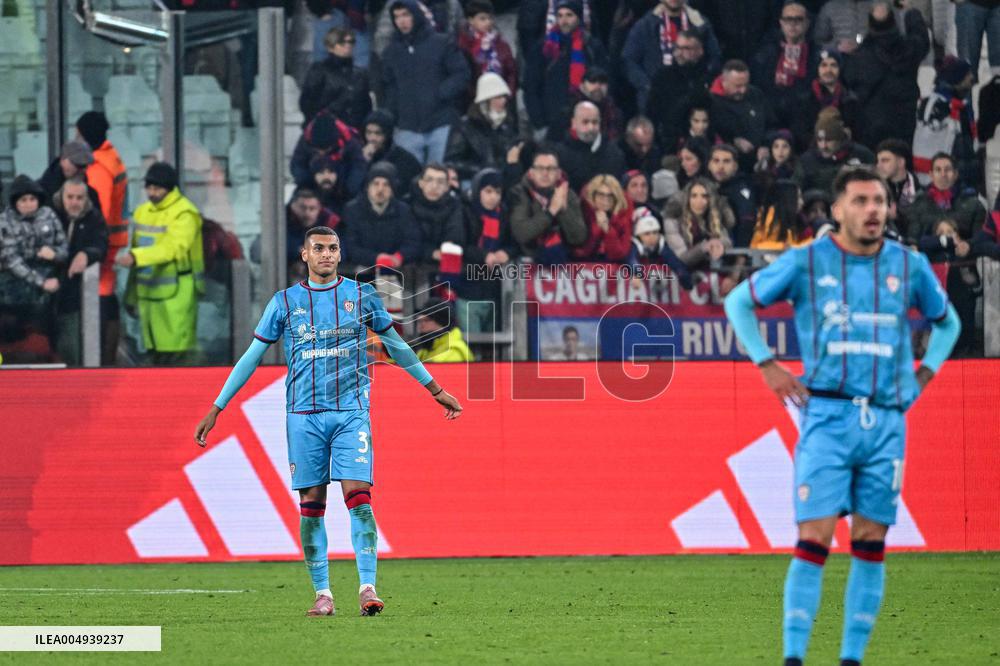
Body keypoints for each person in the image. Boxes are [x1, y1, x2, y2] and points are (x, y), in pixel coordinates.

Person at [723, 166, 961, 666]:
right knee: (815, 537)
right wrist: (767, 365)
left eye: (879, 200)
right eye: (861, 201)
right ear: (838, 210)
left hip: (886, 423)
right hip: (827, 418)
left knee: (871, 541)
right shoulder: (806, 262)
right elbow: (739, 302)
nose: (873, 210)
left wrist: (925, 377)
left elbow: (948, 322)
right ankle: (794, 658)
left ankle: (851, 659)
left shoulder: (909, 265)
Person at [194, 225, 463, 618]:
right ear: (304, 255)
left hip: (351, 412)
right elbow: (251, 357)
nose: (326, 254)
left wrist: (434, 387)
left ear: (340, 253)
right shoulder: (284, 303)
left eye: (333, 248)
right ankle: (323, 594)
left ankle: (368, 588)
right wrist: (217, 407)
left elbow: (396, 346)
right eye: (318, 248)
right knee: (312, 504)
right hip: (303, 417)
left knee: (359, 499)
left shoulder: (362, 296)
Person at [116, 162, 205, 366]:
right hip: (148, 296)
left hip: (176, 297)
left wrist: (137, 257)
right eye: (149, 187)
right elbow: (135, 259)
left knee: (178, 356)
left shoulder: (185, 213)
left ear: (170, 188)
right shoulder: (141, 212)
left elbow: (174, 248)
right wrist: (131, 296)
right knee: (154, 355)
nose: (153, 193)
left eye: (158, 188)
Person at [381, 0, 471, 165]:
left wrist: (440, 93)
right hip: (406, 127)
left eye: (406, 15)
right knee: (409, 179)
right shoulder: (391, 52)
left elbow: (462, 74)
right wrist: (393, 111)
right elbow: (388, 85)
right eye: (397, 16)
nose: (401, 21)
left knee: (439, 178)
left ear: (416, 15)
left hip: (441, 123)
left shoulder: (442, 43)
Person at [76, 111, 128, 366]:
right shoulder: (111, 156)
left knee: (102, 297)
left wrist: (95, 239)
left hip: (104, 243)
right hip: (113, 240)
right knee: (106, 296)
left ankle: (102, 360)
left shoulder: (98, 166)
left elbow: (101, 208)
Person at [842, 2, 929, 149]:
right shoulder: (908, 49)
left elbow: (848, 84)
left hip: (869, 127)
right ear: (894, 22)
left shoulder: (859, 57)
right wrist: (910, 11)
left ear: (870, 24)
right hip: (905, 123)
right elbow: (921, 39)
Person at [523, 0, 608, 137]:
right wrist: (539, 122)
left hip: (586, 123)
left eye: (569, 15)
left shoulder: (592, 47)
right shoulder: (544, 48)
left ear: (578, 17)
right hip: (551, 123)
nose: (564, 20)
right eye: (560, 15)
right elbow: (531, 87)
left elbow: (603, 83)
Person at [622, 0, 722, 111]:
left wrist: (702, 83)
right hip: (657, 99)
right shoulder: (646, 25)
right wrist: (648, 86)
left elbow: (715, 57)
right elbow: (629, 60)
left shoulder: (700, 24)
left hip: (692, 98)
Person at [52, 177, 108, 365]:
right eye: (70, 197)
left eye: (79, 198)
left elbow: (101, 244)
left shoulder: (93, 217)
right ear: (62, 197)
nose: (75, 202)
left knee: (70, 348)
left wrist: (87, 254)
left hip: (73, 295)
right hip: (43, 293)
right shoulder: (49, 214)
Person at [0, 175, 67, 318]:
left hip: (49, 276)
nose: (28, 204)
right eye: (23, 200)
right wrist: (41, 282)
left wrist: (55, 254)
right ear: (15, 202)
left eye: (32, 199)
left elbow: (63, 246)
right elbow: (12, 260)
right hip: (16, 283)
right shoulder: (5, 222)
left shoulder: (48, 214)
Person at [508, 145, 587, 263]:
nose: (545, 173)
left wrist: (564, 210)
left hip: (564, 264)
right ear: (531, 172)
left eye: (550, 169)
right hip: (527, 263)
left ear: (558, 173)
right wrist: (551, 211)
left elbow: (579, 238)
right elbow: (522, 234)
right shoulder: (519, 192)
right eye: (540, 168)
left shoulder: (568, 194)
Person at [340, 161, 422, 269]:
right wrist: (376, 258)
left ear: (393, 190)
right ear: (368, 187)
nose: (380, 189)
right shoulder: (352, 210)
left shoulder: (404, 210)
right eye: (376, 183)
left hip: (396, 268)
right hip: (360, 268)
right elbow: (350, 246)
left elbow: (413, 242)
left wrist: (400, 256)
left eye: (386, 184)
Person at [750, 2, 818, 132]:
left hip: (806, 123)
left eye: (798, 19)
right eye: (788, 19)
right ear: (781, 22)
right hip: (772, 122)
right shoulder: (765, 55)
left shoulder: (816, 55)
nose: (793, 24)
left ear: (807, 23)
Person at [444, 72, 520, 182]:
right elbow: (451, 162)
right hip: (473, 180)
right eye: (498, 97)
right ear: (486, 100)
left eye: (504, 97)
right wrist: (484, 170)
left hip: (504, 181)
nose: (503, 101)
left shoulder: (507, 125)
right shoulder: (465, 126)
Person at [645, 30, 713, 151]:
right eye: (677, 48)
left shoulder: (708, 77)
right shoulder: (662, 77)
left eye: (686, 48)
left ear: (700, 51)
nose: (679, 53)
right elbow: (652, 113)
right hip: (670, 144)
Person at [709, 59, 775, 172]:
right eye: (738, 86)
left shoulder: (755, 94)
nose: (743, 90)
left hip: (758, 165)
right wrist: (734, 141)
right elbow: (711, 132)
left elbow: (771, 124)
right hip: (728, 167)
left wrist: (766, 145)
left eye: (746, 85)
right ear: (724, 81)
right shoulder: (711, 101)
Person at [299, 27, 372, 129]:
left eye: (351, 42)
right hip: (327, 131)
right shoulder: (319, 70)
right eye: (342, 42)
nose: (348, 45)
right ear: (330, 46)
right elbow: (307, 103)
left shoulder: (360, 74)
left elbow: (366, 106)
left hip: (354, 132)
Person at [905, 152, 986, 243]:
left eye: (947, 170)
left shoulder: (974, 204)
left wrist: (967, 246)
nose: (943, 174)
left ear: (955, 174)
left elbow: (979, 241)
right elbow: (913, 237)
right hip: (928, 254)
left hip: (963, 255)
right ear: (931, 175)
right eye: (938, 170)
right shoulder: (918, 202)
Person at [793, 49, 860, 153]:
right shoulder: (805, 100)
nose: (828, 70)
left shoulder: (850, 100)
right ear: (817, 69)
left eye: (833, 65)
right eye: (824, 65)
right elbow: (800, 133)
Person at [662, 177, 734, 269]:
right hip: (680, 274)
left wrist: (719, 243)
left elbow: (726, 240)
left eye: (704, 196)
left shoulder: (714, 215)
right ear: (687, 198)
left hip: (710, 272)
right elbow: (681, 258)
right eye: (694, 196)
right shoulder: (673, 219)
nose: (699, 201)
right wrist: (704, 247)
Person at [290, 111, 367, 196]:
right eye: (318, 149)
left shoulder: (349, 140)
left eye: (326, 149)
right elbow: (297, 164)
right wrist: (308, 183)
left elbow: (359, 165)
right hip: (314, 184)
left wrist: (350, 187)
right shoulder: (305, 140)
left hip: (343, 184)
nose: (322, 153)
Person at [457, 0, 518, 106]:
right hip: (476, 102)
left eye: (490, 18)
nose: (488, 22)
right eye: (482, 19)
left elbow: (511, 71)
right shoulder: (463, 46)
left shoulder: (500, 42)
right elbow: (464, 77)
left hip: (502, 99)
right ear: (471, 20)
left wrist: (508, 94)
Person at [800, 108, 875, 195]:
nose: (823, 146)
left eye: (829, 140)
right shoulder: (806, 161)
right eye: (819, 140)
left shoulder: (862, 155)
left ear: (839, 139)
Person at [556, 100, 626, 192]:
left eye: (595, 122)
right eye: (585, 122)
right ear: (574, 123)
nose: (591, 128)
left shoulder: (615, 154)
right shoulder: (559, 154)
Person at [626, 210, 694, 290]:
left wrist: (683, 275)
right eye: (647, 233)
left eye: (655, 232)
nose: (652, 237)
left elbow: (673, 261)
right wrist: (637, 274)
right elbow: (631, 260)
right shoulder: (634, 245)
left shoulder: (661, 244)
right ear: (639, 235)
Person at [360, 110, 423, 195]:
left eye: (378, 133)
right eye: (369, 133)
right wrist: (362, 162)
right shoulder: (357, 156)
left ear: (387, 134)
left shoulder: (406, 160)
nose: (372, 138)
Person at [573, 174, 633, 262]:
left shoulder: (622, 217)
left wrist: (607, 230)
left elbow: (620, 254)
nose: (605, 200)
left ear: (616, 197)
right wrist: (597, 228)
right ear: (593, 195)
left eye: (610, 196)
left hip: (614, 266)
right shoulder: (583, 213)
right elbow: (580, 252)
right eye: (601, 195)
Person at [707, 144, 756, 247]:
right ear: (709, 165)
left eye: (726, 161)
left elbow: (747, 225)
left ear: (735, 166)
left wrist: (740, 257)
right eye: (716, 161)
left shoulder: (742, 191)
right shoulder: (702, 188)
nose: (720, 166)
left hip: (732, 252)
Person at [750, 179, 811, 250]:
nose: (802, 203)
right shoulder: (770, 220)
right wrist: (783, 247)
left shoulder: (796, 220)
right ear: (788, 199)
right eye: (798, 198)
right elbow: (757, 246)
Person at [413, 297, 473, 362]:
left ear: (443, 323)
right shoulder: (425, 349)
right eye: (419, 321)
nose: (421, 325)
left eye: (427, 320)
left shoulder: (455, 350)